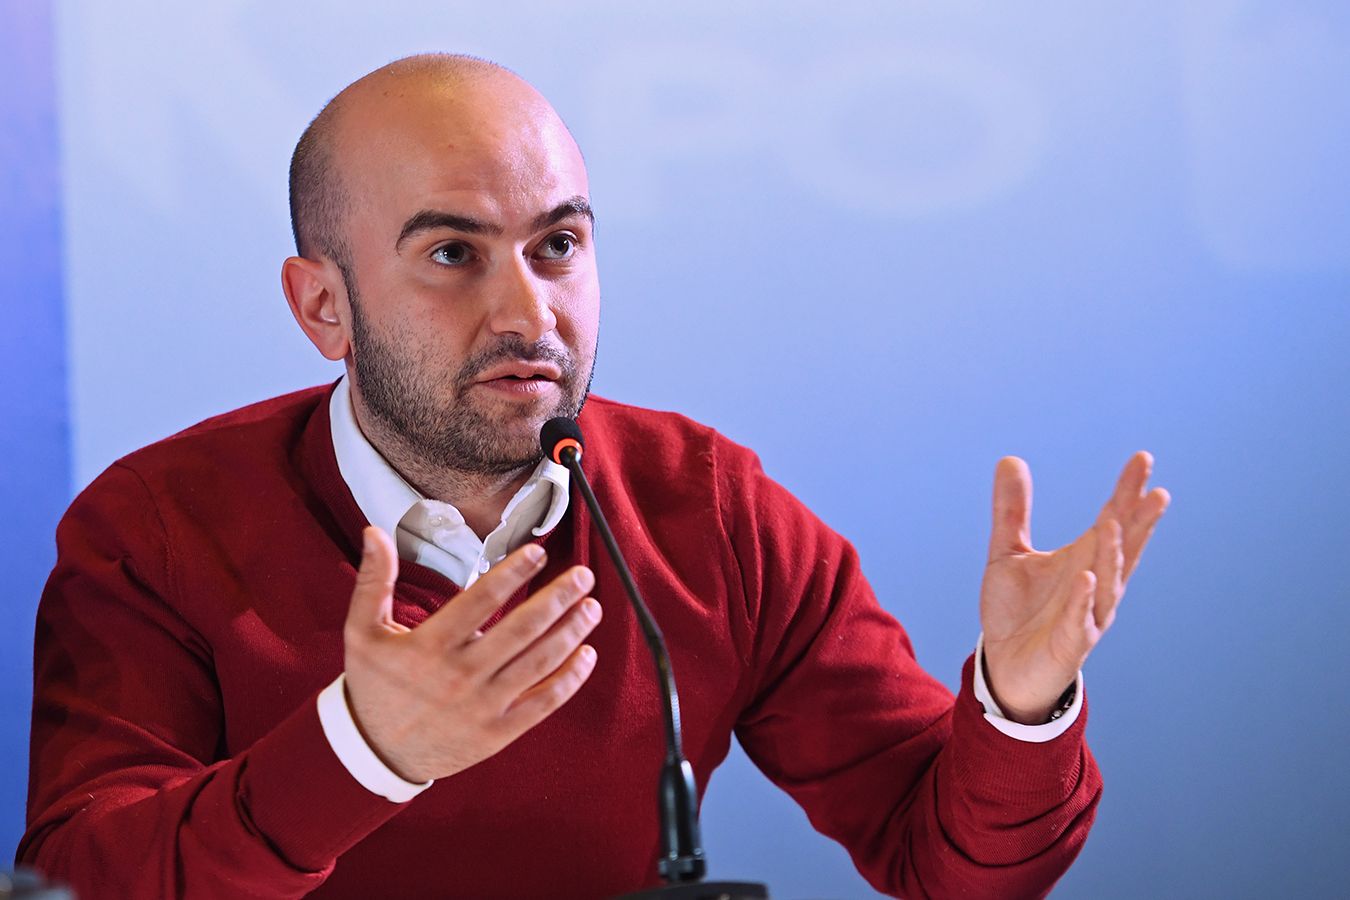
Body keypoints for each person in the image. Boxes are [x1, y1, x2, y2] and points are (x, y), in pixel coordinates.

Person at [18, 55, 1169, 899]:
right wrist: (361, 753)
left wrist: (1020, 710)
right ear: (324, 306)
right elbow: (78, 880)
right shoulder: (155, 530)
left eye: (558, 245)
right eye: (452, 253)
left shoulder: (708, 508)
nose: (528, 312)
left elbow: (950, 864)